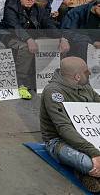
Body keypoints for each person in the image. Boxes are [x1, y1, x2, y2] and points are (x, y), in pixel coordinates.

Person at [40, 57, 100, 193]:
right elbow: (64, 129)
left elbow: (98, 102)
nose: (89, 72)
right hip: (59, 140)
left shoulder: (84, 85)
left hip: (89, 134)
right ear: (77, 76)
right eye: (86, 71)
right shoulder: (54, 92)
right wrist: (94, 153)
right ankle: (81, 172)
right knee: (87, 162)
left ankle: (90, 172)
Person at [2, 0, 70, 99]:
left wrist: (61, 38)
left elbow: (49, 25)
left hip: (35, 37)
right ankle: (21, 83)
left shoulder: (39, 9)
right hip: (12, 37)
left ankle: (55, 79)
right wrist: (28, 39)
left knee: (60, 44)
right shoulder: (11, 8)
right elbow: (15, 26)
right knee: (26, 48)